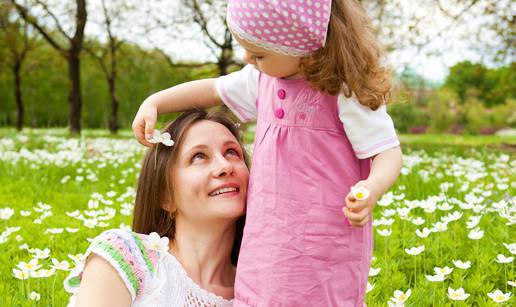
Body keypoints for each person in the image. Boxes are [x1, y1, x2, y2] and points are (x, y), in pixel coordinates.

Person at [132, 0, 403, 305]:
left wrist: (372, 186)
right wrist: (156, 102)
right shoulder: (262, 80)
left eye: (259, 53)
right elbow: (213, 89)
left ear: (301, 46)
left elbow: (387, 151)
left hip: (324, 244)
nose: (248, 59)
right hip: (267, 240)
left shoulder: (345, 93)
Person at [64, 110, 250, 306]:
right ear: (165, 195)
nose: (225, 166)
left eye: (232, 152)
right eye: (198, 156)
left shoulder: (263, 288)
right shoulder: (127, 260)